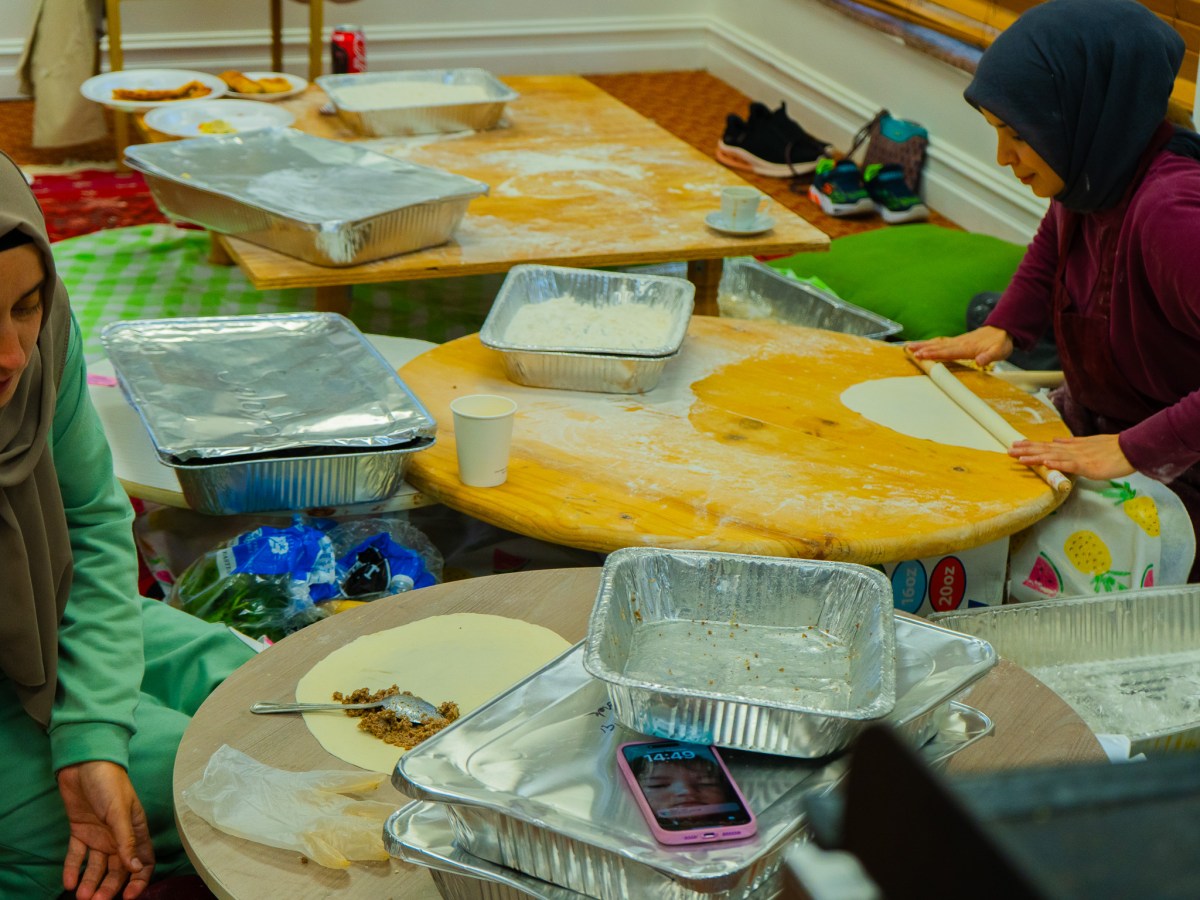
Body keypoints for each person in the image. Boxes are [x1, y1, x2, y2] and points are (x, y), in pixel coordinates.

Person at [0, 151, 256, 899]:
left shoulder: (46, 340)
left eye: (25, 307)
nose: (12, 356)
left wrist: (89, 728)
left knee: (261, 686)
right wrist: (92, 736)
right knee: (201, 776)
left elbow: (88, 521)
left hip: (38, 607)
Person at [909, 0, 1200, 581]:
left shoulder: (1171, 214)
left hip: (1181, 469)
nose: (1003, 158)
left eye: (1017, 135)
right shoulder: (1095, 170)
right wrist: (1006, 325)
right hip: (1100, 423)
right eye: (998, 132)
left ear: (1087, 115)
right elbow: (1053, 240)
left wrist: (1133, 449)